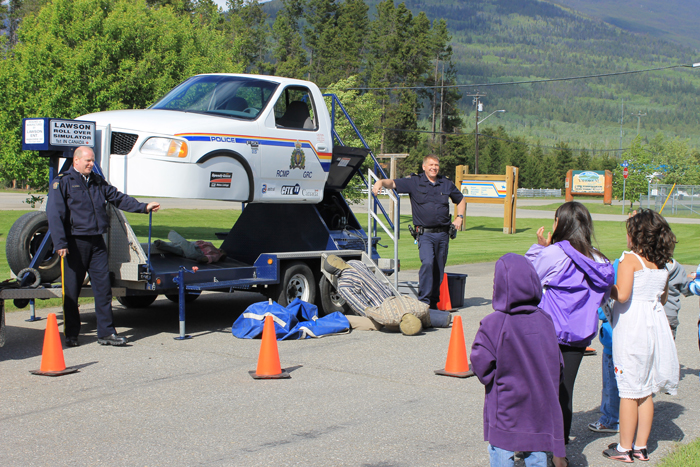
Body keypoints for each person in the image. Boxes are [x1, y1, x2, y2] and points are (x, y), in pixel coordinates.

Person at [47, 146, 160, 347]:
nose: (91, 164)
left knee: (103, 289)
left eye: (92, 160)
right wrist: (60, 243)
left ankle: (106, 333)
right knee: (71, 291)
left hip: (97, 243)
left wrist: (143, 207)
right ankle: (72, 334)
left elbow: (118, 198)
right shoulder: (62, 182)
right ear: (76, 161)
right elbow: (55, 214)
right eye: (88, 161)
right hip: (74, 243)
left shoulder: (97, 182)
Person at [525, 201, 615, 449]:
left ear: (560, 224)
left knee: (539, 389)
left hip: (548, 331)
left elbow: (529, 280)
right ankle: (559, 448)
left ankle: (532, 443)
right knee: (564, 391)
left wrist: (539, 249)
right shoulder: (597, 257)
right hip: (578, 336)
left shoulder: (555, 253)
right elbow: (604, 295)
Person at [471, 253, 567, 467]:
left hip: (506, 403)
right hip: (539, 405)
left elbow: (481, 364)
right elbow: (558, 364)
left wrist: (492, 377)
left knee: (502, 448)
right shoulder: (545, 320)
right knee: (536, 449)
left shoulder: (493, 324)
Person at [604, 210, 679, 463]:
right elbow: (664, 297)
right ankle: (641, 446)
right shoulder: (662, 263)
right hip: (653, 325)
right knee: (645, 390)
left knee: (628, 390)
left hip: (632, 328)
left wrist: (606, 286)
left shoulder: (630, 259)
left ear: (636, 234)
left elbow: (622, 295)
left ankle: (624, 448)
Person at [371, 155, 466, 309]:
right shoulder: (414, 182)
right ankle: (424, 302)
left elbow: (460, 199)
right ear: (424, 167)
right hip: (425, 234)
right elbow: (393, 183)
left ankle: (433, 304)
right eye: (431, 165)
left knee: (438, 269)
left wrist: (460, 217)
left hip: (443, 234)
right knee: (427, 263)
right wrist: (380, 182)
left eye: (436, 165)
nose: (434, 167)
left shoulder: (445, 183)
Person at [589, 259, 620, 434]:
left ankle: (610, 419)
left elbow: (603, 308)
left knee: (611, 383)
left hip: (613, 337)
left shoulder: (620, 264)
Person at [664, 258, 691, 339]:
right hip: (670, 313)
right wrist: (689, 279)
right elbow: (686, 291)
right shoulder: (678, 268)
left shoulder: (648, 266)